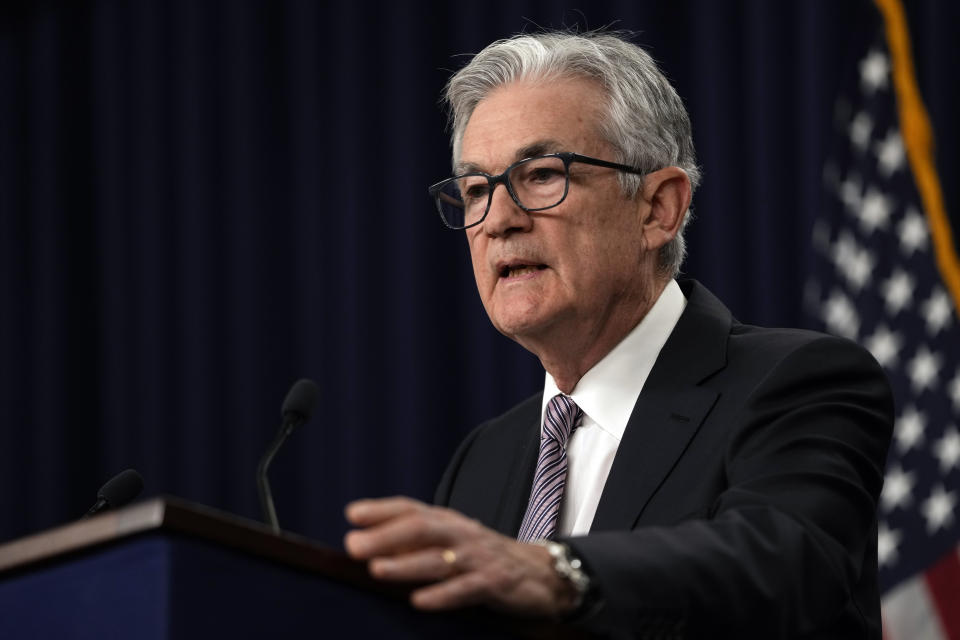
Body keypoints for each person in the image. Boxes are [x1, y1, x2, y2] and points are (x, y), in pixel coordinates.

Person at [344, 31, 893, 638]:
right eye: (477, 189)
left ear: (658, 208)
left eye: (542, 175)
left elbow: (785, 564)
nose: (498, 219)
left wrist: (558, 573)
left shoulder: (799, 383)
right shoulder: (484, 458)